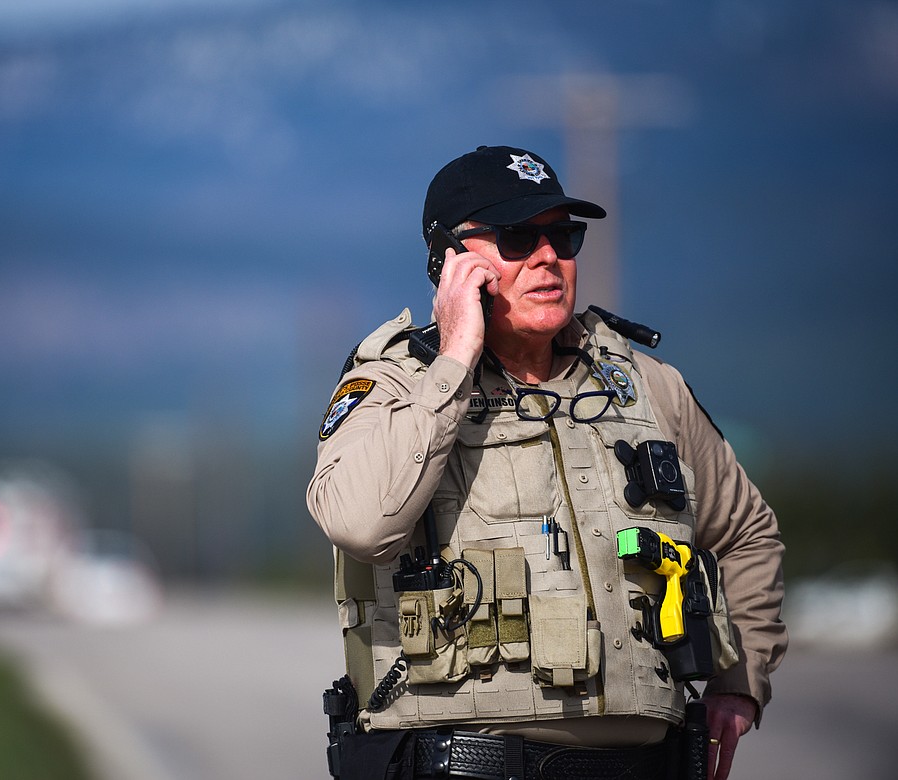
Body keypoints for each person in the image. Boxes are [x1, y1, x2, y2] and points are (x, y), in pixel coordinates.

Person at [307, 145, 786, 780]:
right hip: (465, 764)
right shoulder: (394, 383)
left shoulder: (646, 386)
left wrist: (740, 677)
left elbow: (746, 532)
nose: (547, 257)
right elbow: (361, 524)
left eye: (562, 235)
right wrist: (453, 360)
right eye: (516, 237)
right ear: (451, 261)